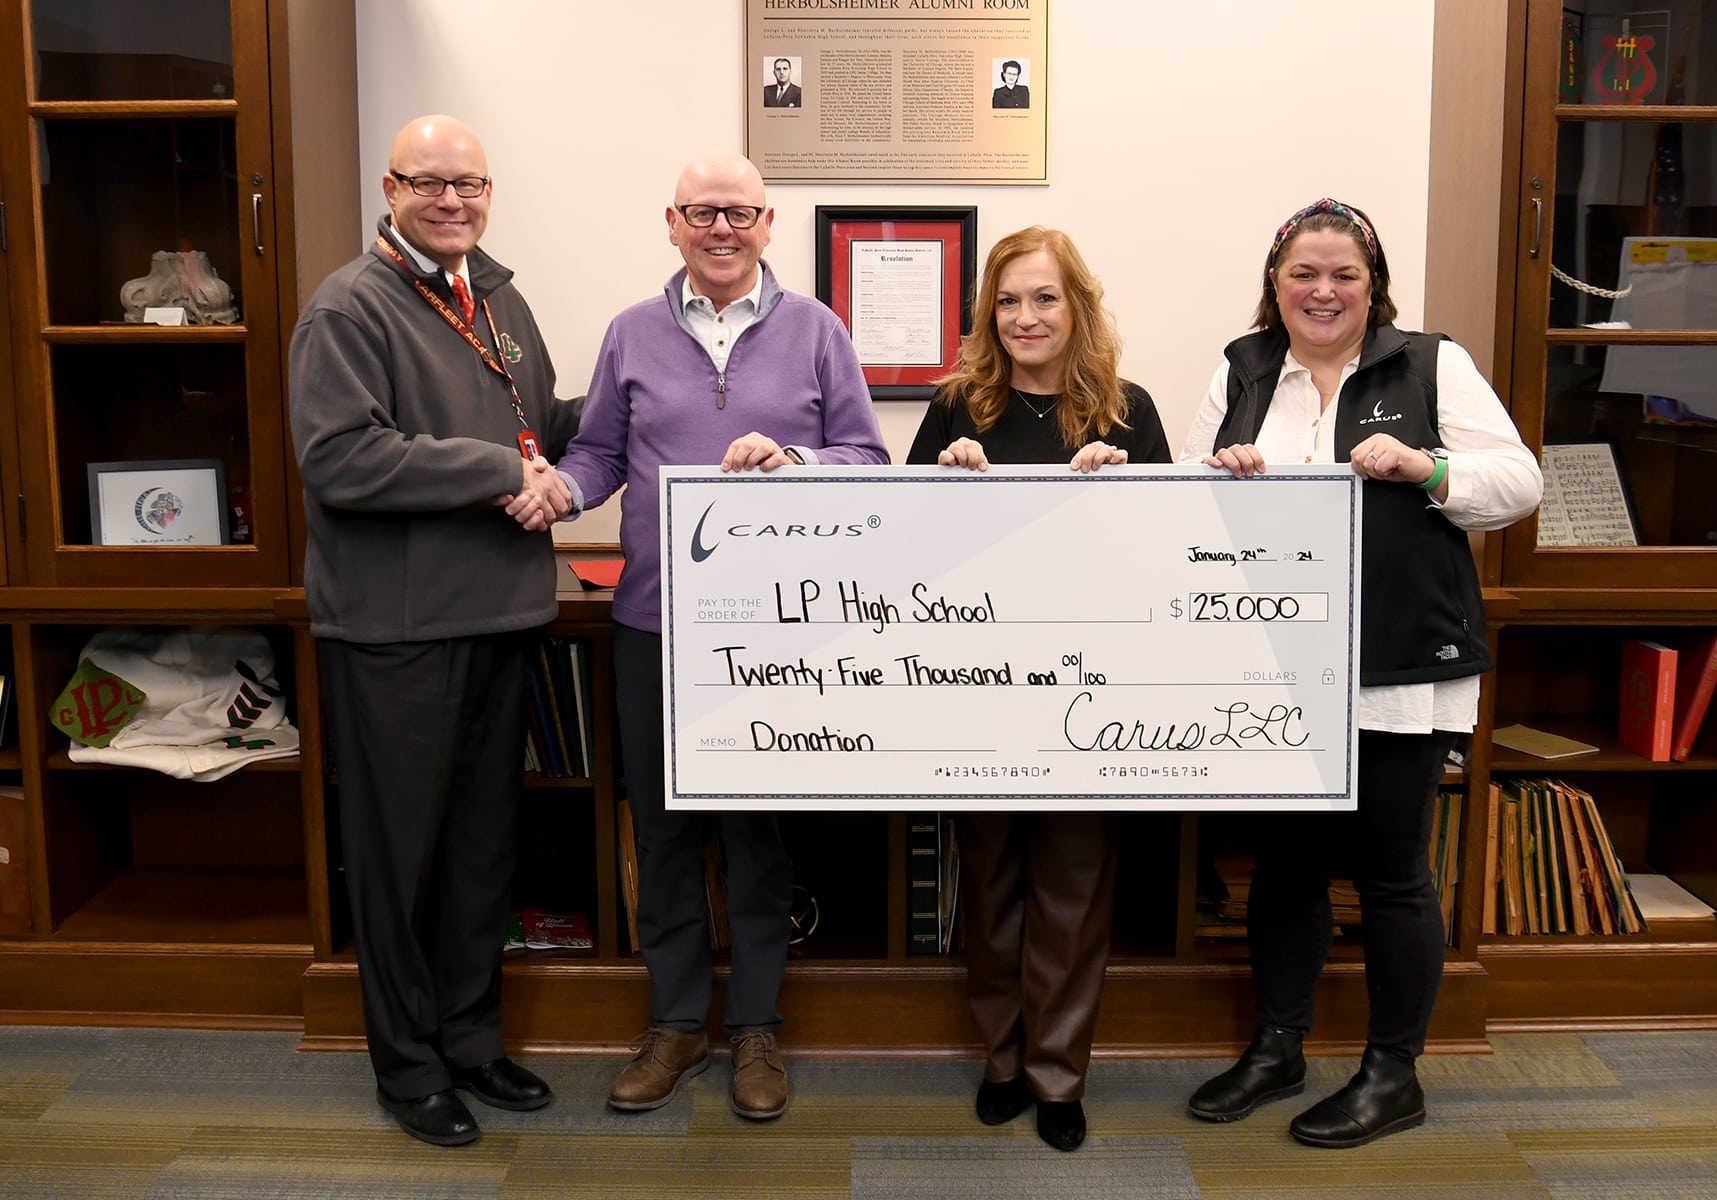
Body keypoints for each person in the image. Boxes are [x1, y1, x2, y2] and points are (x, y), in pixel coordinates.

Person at [1179, 198, 1541, 1148]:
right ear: (1275, 283)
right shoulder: (1243, 366)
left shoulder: (1429, 362)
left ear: (1373, 284)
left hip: (1396, 662)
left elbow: (1519, 482)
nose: (1323, 290)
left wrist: (1426, 468)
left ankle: (1393, 1072)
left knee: (1389, 874)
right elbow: (1191, 501)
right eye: (1304, 273)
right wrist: (1224, 473)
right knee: (1284, 869)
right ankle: (1279, 1046)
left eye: (1344, 273)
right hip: (1276, 666)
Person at [556, 151, 887, 1122]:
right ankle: (673, 1024)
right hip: (654, 626)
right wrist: (560, 491)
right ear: (673, 222)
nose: (722, 228)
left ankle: (754, 1030)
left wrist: (793, 458)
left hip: (774, 636)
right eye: (703, 212)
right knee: (660, 834)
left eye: (739, 212)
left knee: (757, 840)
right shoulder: (629, 332)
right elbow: (598, 454)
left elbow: (868, 457)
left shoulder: (818, 331)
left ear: (767, 223)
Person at [288, 114, 582, 1147]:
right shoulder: (349, 307)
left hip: (503, 611)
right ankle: (407, 1067)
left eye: (471, 185)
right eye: (431, 183)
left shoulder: (494, 297)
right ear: (391, 185)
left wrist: (648, 408)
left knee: (477, 852)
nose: (453, 201)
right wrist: (501, 470)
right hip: (397, 632)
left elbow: (538, 421)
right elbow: (342, 458)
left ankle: (470, 1039)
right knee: (399, 859)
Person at [907, 226, 1170, 1152]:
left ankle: (1060, 1074)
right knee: (992, 883)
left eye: (1045, 298)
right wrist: (944, 491)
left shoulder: (1128, 412)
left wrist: (1122, 493)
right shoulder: (953, 409)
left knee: (1073, 884)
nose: (1025, 317)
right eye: (1008, 301)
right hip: (978, 694)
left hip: (1090, 696)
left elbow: (1164, 562)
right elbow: (901, 560)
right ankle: (1003, 1058)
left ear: (1078, 307)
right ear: (990, 313)